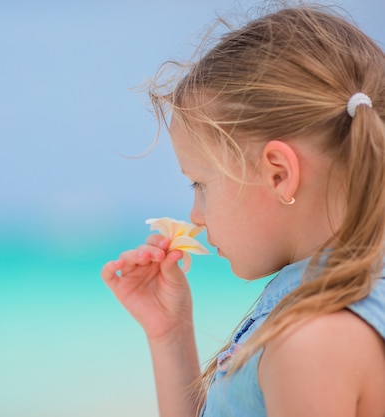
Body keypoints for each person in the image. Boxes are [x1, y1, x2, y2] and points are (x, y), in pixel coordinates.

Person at [101, 4, 385, 417]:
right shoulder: (342, 306)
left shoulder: (310, 343)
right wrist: (170, 335)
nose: (195, 214)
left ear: (278, 174)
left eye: (200, 184)